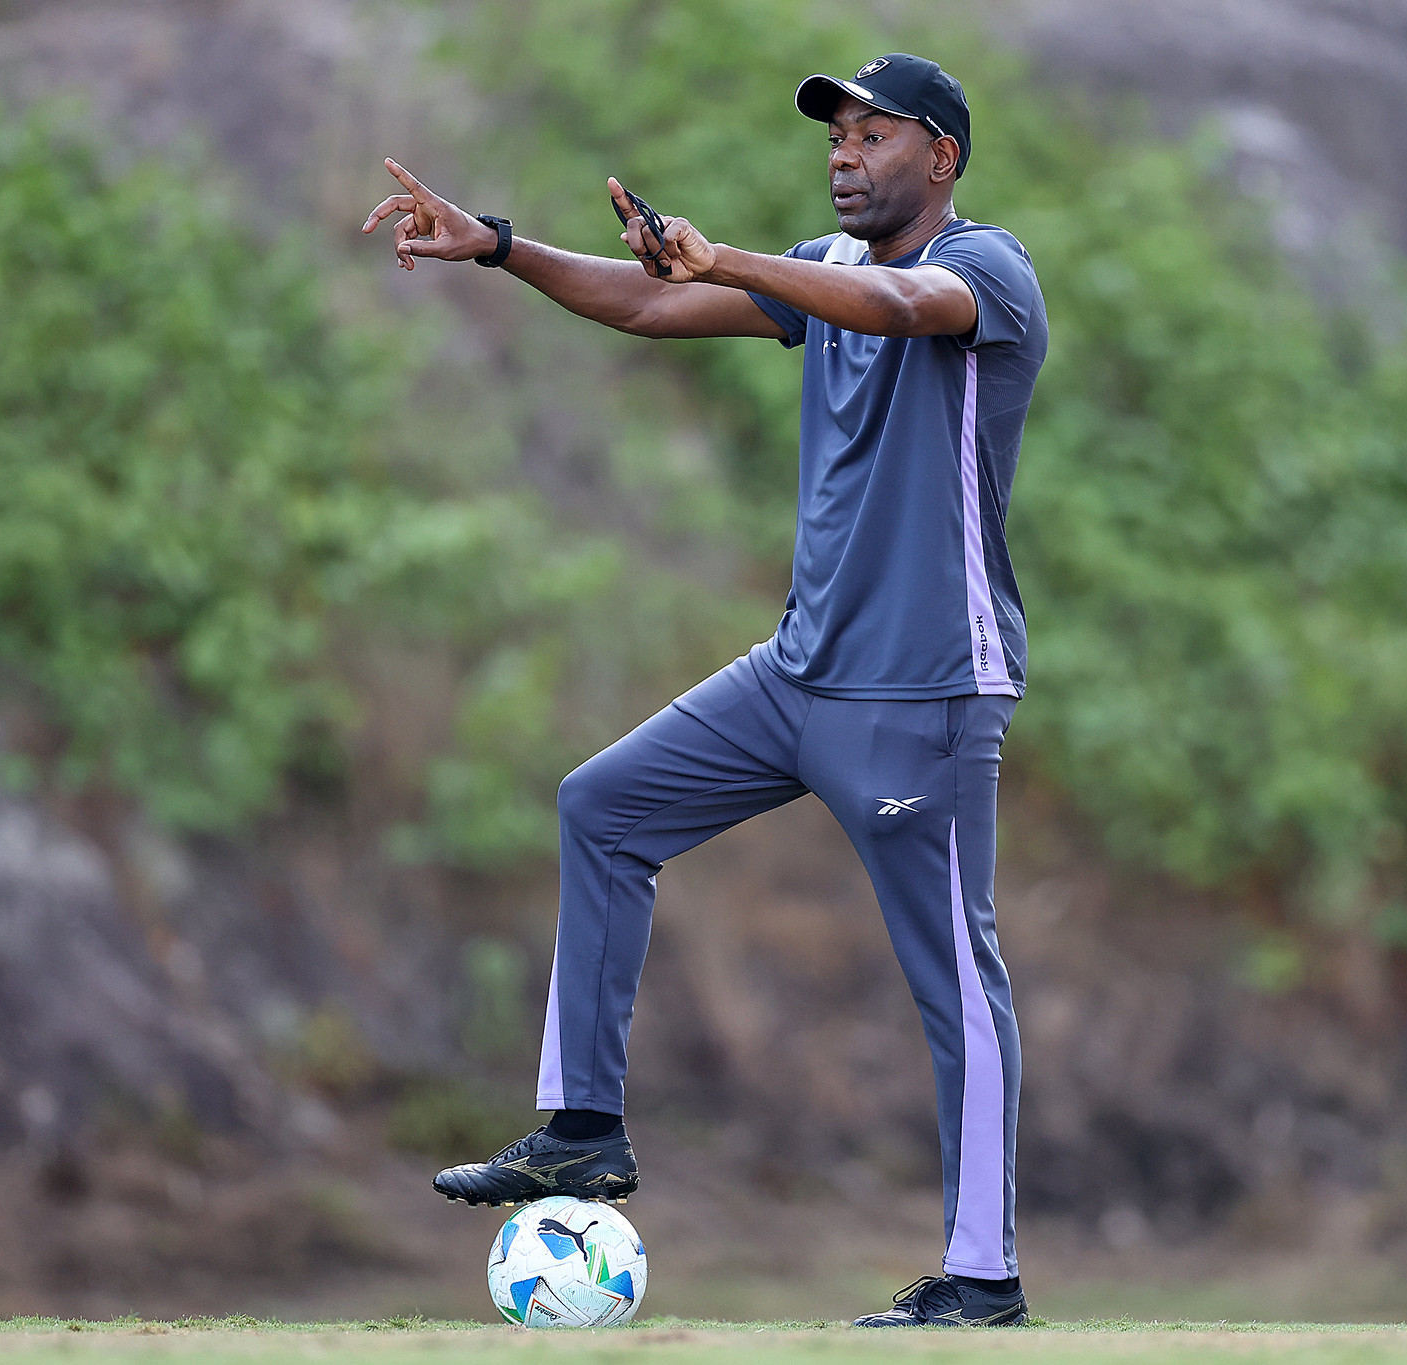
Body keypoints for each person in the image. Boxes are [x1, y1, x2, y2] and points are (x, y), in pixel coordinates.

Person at [361, 53, 1047, 1328]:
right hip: (795, 675)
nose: (843, 154)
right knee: (601, 806)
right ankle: (578, 1131)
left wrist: (725, 259)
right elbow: (643, 306)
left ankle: (981, 1279)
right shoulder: (820, 271)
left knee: (955, 980)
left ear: (940, 157)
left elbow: (907, 308)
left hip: (923, 693)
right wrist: (502, 245)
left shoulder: (987, 269)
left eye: (873, 135)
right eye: (834, 138)